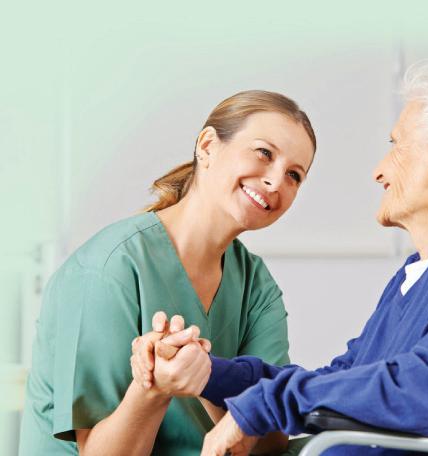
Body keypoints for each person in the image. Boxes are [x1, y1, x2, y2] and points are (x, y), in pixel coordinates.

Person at [132, 61, 428, 456]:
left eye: (396, 145)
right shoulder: (421, 271)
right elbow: (345, 378)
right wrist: (210, 372)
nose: (379, 172)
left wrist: (263, 407)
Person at [19, 90, 317, 455]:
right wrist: (155, 387)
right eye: (264, 153)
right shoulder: (107, 269)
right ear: (207, 146)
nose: (275, 181)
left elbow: (270, 443)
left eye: (293, 175)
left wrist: (208, 378)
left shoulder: (255, 284)